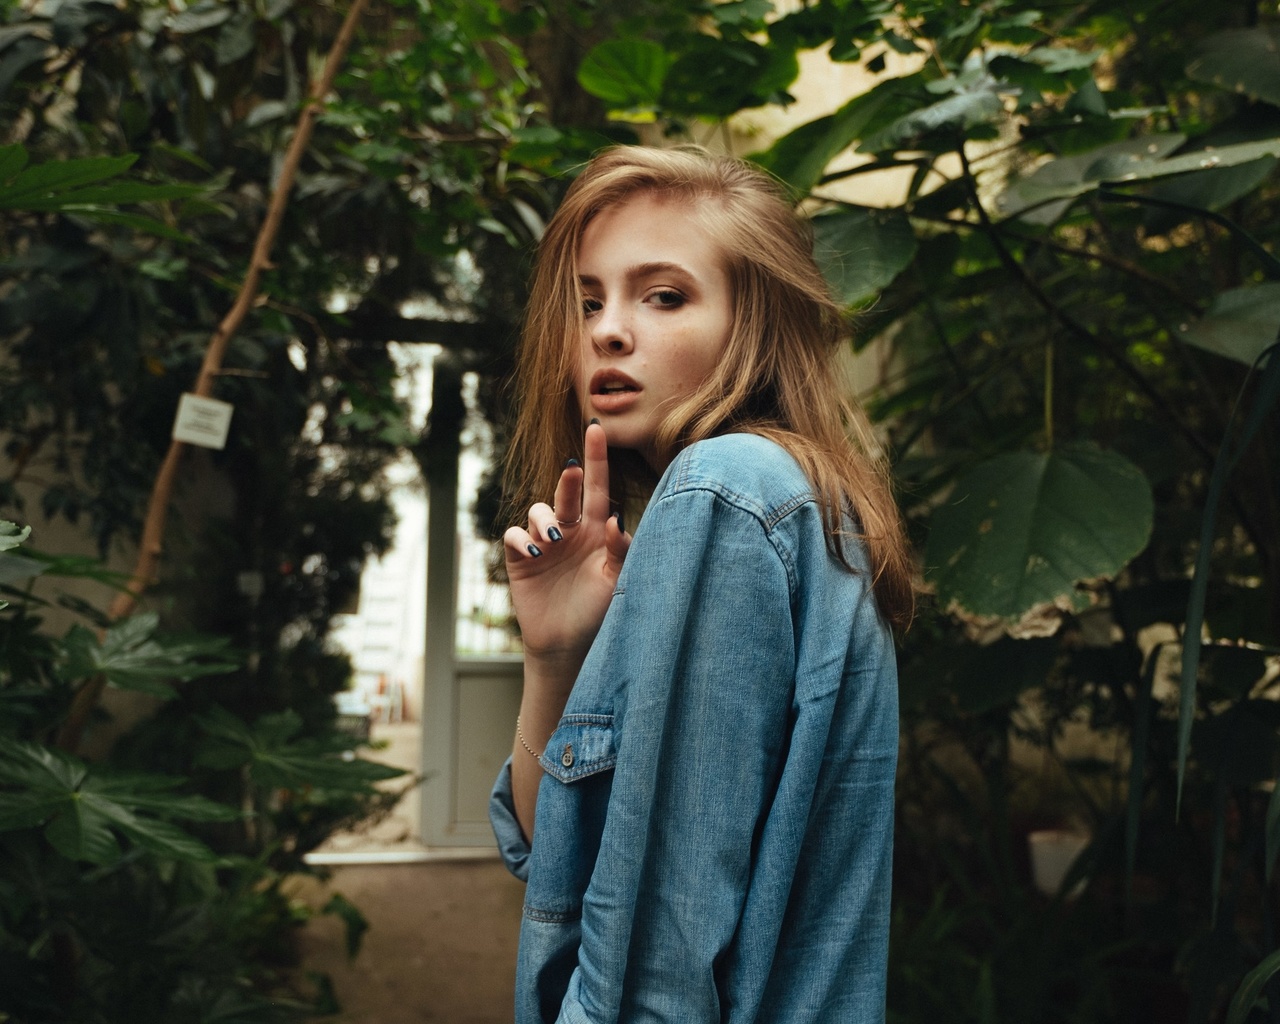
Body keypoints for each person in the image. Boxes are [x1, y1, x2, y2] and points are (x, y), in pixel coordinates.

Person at [489, 145, 915, 1024]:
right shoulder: (790, 502)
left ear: (752, 325)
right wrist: (556, 657)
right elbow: (554, 855)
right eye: (588, 301)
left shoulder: (723, 494)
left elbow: (658, 969)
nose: (607, 330)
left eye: (664, 295)